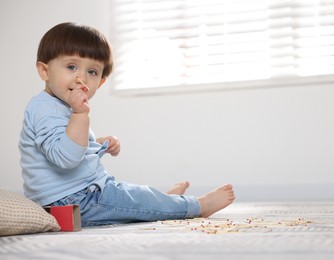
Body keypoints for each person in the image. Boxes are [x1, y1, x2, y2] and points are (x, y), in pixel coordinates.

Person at [19, 22, 235, 227]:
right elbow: (66, 158)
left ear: (101, 81)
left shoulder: (55, 106)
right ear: (45, 71)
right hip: (73, 201)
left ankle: (164, 202)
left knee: (134, 196)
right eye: (72, 66)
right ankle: (198, 206)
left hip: (75, 196)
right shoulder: (45, 109)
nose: (81, 78)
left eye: (92, 72)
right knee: (135, 198)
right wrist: (80, 114)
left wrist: (99, 143)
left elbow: (68, 143)